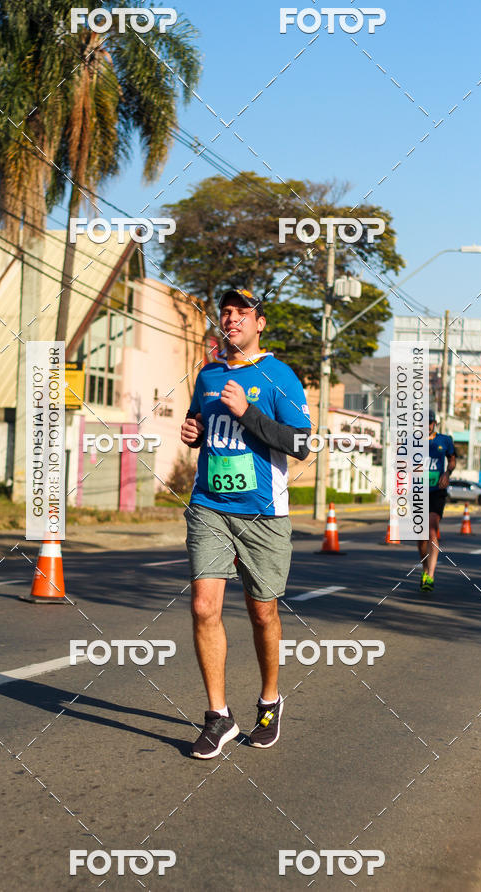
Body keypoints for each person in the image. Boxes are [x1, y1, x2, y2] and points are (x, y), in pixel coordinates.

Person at [180, 289, 311, 758]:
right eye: (226, 312)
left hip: (263, 512)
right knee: (202, 606)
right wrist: (193, 433)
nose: (231, 319)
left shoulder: (279, 377)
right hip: (210, 505)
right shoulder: (209, 374)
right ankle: (218, 717)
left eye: (242, 313)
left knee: (262, 613)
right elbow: (201, 426)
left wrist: (247, 412)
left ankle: (270, 701)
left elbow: (300, 443)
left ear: (259, 324)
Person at [418, 409, 456, 593]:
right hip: (418, 491)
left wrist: (448, 474)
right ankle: (425, 570)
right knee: (421, 537)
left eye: (429, 423)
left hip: (437, 491)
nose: (426, 426)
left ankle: (430, 576)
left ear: (434, 423)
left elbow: (453, 461)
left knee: (432, 529)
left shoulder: (445, 440)